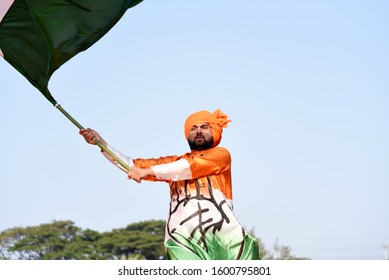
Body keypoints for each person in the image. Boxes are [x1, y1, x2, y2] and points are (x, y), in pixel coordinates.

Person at [80, 109, 260, 260]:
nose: (198, 131)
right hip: (182, 240)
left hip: (226, 239)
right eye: (193, 128)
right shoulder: (172, 164)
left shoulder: (221, 156)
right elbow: (131, 164)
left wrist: (149, 172)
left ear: (214, 131)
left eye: (204, 127)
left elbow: (189, 167)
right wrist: (101, 143)